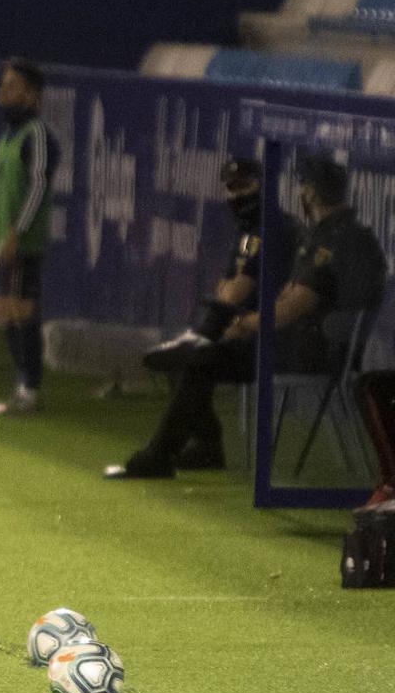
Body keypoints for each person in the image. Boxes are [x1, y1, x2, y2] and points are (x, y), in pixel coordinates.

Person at [106, 155, 387, 480]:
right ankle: (197, 449)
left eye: (304, 186)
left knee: (198, 358)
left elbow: (292, 307)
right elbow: (283, 296)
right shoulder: (332, 233)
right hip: (302, 346)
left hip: (306, 353)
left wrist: (244, 325)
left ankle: (160, 457)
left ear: (310, 192)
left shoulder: (332, 239)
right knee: (194, 355)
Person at [139, 157, 299, 469]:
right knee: (183, 357)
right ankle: (205, 448)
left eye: (246, 185)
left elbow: (235, 292)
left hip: (272, 341)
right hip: (241, 329)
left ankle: (159, 456)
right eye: (232, 188)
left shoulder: (274, 229)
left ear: (263, 184)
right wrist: (231, 310)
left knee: (193, 359)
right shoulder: (248, 230)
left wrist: (234, 313)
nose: (238, 194)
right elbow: (225, 289)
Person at [0, 58, 60, 416]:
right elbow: (1, 188)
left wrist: (18, 231)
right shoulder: (9, 134)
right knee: (4, 311)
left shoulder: (38, 134)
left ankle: (31, 387)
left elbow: (38, 186)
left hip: (22, 242)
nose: (3, 93)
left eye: (12, 86)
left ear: (32, 94)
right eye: (3, 86)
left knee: (21, 309)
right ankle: (22, 385)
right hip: (3, 238)